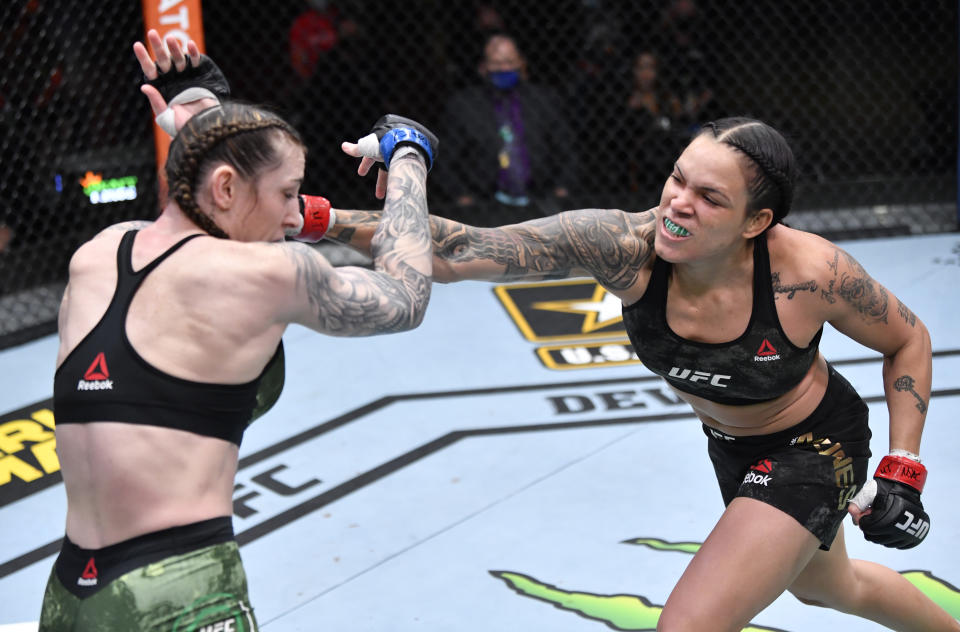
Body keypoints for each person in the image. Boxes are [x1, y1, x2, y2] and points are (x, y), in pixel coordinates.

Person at [326, 118, 958, 631]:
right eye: (678, 180)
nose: (678, 204)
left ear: (756, 223)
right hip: (733, 448)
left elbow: (908, 339)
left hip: (816, 445)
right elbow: (454, 250)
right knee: (830, 590)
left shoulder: (809, 274)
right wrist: (313, 219)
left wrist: (904, 470)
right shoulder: (622, 248)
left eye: (710, 198)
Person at [39, 30, 436, 631]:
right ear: (225, 187)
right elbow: (406, 297)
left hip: (70, 593)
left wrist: (202, 133)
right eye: (286, 194)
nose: (292, 217)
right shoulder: (268, 273)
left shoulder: (97, 255)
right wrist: (409, 156)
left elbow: (188, 242)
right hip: (179, 590)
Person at [436, 32, 575, 224]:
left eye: (509, 62)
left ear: (521, 64)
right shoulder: (463, 106)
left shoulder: (545, 101)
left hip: (541, 201)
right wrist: (463, 198)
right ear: (483, 67)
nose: (504, 68)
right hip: (484, 206)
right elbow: (445, 160)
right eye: (496, 63)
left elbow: (567, 149)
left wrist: (562, 189)